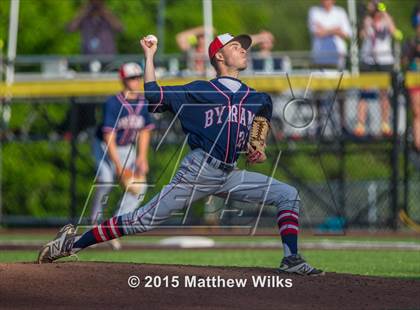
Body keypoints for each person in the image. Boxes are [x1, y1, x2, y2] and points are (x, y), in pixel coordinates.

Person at [38, 32, 323, 276]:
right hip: (198, 171)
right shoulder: (199, 91)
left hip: (230, 173)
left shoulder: (256, 97)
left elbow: (261, 118)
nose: (243, 50)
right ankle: (71, 244)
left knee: (288, 194)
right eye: (235, 47)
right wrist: (149, 57)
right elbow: (153, 96)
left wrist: (257, 145)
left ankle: (291, 259)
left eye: (243, 46)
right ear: (220, 57)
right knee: (141, 221)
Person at [90, 62, 154, 250]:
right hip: (105, 146)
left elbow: (144, 131)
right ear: (123, 79)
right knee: (106, 180)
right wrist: (118, 165)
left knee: (139, 188)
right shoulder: (113, 102)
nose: (135, 81)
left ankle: (115, 227)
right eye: (131, 78)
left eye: (137, 77)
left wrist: (142, 157)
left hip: (127, 147)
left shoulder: (143, 102)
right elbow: (108, 134)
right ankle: (93, 224)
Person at [354, 0, 399, 137]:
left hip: (384, 59)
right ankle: (360, 124)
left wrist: (384, 14)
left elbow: (395, 33)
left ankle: (385, 124)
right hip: (368, 59)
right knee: (364, 91)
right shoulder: (367, 20)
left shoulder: (386, 19)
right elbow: (361, 36)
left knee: (384, 92)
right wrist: (367, 24)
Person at [67, 0, 123, 71]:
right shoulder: (84, 17)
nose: (95, 4)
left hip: (108, 59)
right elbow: (70, 28)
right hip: (87, 59)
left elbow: (120, 28)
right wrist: (84, 12)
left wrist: (105, 12)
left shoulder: (108, 16)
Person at [308, 0, 352, 70]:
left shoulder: (340, 12)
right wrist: (335, 29)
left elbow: (347, 34)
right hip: (319, 57)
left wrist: (324, 29)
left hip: (339, 57)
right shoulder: (314, 11)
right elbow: (317, 32)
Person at [402, 5, 420, 152]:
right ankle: (417, 144)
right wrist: (414, 49)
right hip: (415, 79)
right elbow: (404, 62)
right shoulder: (410, 43)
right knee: (417, 111)